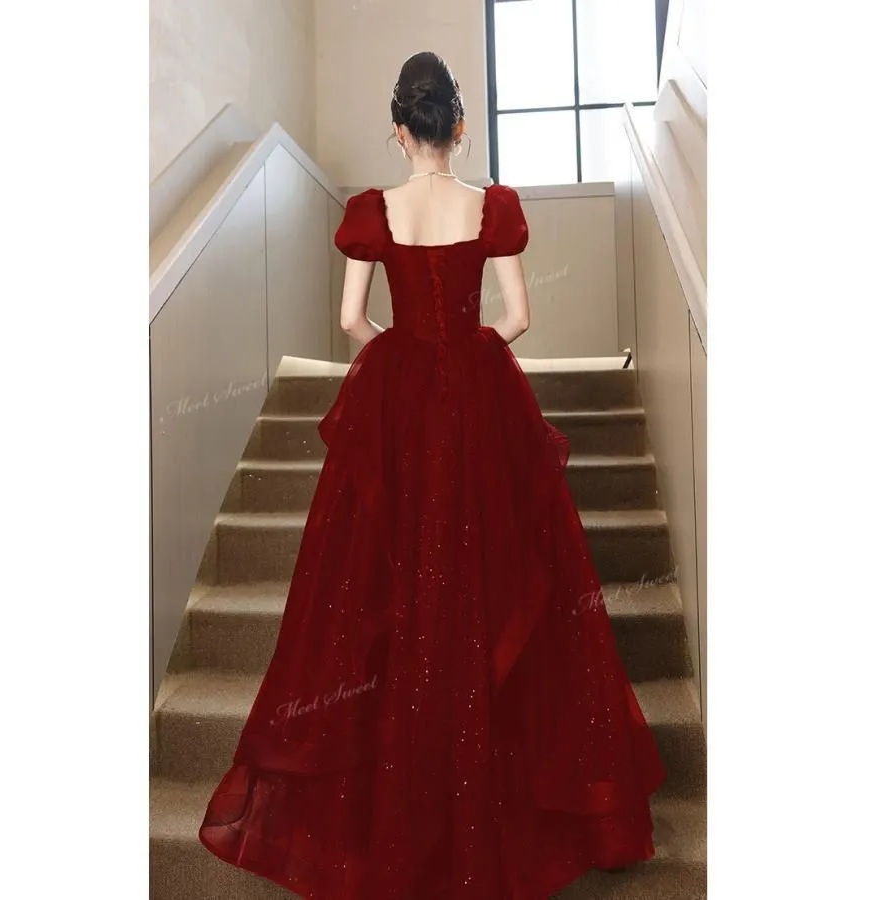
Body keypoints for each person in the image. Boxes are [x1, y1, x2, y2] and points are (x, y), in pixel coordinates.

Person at [198, 50, 666, 899]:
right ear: (459, 127)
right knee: (490, 577)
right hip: (476, 407)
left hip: (402, 407)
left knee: (389, 581)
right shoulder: (492, 207)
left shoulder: (374, 211)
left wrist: (403, 361)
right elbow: (518, 316)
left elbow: (351, 320)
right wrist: (466, 357)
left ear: (399, 131)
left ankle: (397, 800)